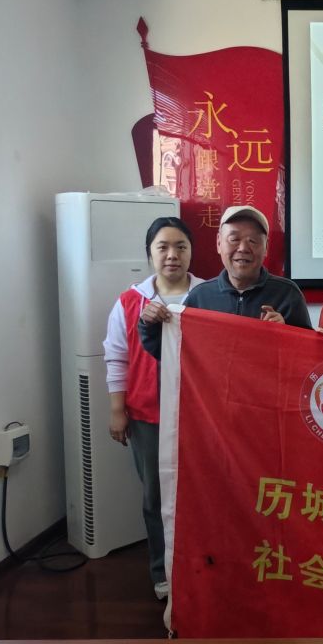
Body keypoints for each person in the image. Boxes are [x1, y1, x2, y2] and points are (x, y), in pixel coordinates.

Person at [102, 216, 202, 600]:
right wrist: (117, 410)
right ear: (150, 254)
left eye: (181, 246)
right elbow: (116, 357)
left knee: (202, 494)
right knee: (155, 499)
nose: (172, 255)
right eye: (163, 247)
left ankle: (200, 568)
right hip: (148, 415)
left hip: (200, 416)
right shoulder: (131, 301)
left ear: (192, 252)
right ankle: (163, 572)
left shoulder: (208, 295)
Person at [139, 205, 311, 357]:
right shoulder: (200, 297)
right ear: (219, 243)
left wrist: (286, 335)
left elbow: (308, 357)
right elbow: (174, 354)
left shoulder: (287, 295)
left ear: (266, 247)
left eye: (253, 241)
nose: (243, 248)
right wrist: (150, 326)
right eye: (234, 239)